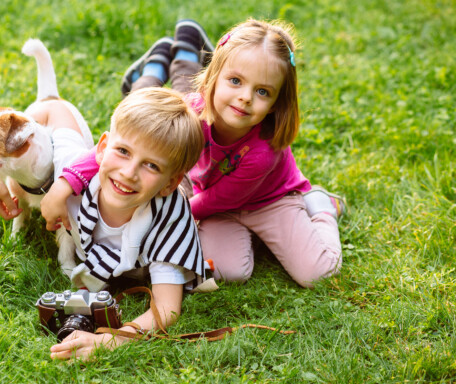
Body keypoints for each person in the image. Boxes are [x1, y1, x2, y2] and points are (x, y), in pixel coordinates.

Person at [46, 18, 347, 289]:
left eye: (262, 92)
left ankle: (320, 206)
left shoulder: (263, 150)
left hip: (270, 202)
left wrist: (168, 220)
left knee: (317, 273)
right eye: (236, 81)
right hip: (217, 204)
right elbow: (122, 148)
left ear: (276, 103)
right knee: (229, 271)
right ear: (214, 74)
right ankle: (256, 240)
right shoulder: (192, 112)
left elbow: (216, 200)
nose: (245, 97)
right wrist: (65, 184)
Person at [40, 87, 214, 360]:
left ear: (170, 182)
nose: (128, 173)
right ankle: (153, 71)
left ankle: (181, 56)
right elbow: (55, 110)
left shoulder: (168, 221)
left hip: (177, 196)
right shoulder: (69, 182)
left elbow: (167, 308)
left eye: (151, 166)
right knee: (147, 95)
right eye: (122, 151)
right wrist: (5, 185)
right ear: (101, 148)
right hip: (114, 170)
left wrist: (115, 340)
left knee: (189, 112)